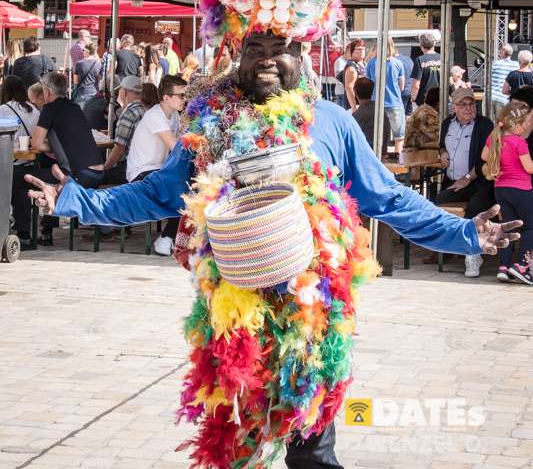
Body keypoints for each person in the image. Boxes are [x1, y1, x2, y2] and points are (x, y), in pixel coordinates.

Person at [26, 34, 520, 469]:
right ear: (237, 56)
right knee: (237, 443)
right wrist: (76, 199)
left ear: (300, 55)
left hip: (313, 315)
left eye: (277, 51)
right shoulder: (209, 123)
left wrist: (463, 235)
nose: (265, 60)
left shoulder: (331, 121)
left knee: (313, 451)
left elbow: (386, 197)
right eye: (254, 50)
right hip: (234, 311)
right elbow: (156, 193)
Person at [27, 71, 104, 245]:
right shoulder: (74, 107)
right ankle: (46, 231)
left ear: (47, 92)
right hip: (97, 173)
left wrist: (52, 147)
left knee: (20, 178)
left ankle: (27, 234)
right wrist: (57, 147)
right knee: (53, 174)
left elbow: (36, 144)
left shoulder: (50, 108)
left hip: (80, 175)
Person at [435, 86, 495, 277]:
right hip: (455, 181)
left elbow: (486, 158)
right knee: (438, 202)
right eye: (464, 105)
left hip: (480, 182)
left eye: (472, 104)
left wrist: (468, 177)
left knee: (475, 208)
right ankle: (444, 248)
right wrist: (442, 152)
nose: (469, 108)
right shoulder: (447, 124)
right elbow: (441, 145)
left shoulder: (484, 125)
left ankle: (473, 254)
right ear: (455, 107)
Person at [482, 100, 533, 285]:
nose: (528, 126)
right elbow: (529, 168)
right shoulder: (519, 143)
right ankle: (520, 265)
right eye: (526, 122)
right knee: (530, 227)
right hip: (521, 189)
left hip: (501, 189)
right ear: (518, 125)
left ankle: (503, 267)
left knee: (507, 226)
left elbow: (484, 157)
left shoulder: (495, 138)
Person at [0, 76, 40, 248]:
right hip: (33, 162)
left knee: (16, 183)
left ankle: (19, 228)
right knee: (20, 183)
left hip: (11, 162)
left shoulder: (3, 109)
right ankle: (24, 230)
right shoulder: (34, 109)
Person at [126, 75, 186, 184]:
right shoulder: (155, 116)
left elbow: (182, 144)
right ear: (166, 98)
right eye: (181, 96)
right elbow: (177, 148)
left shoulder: (174, 115)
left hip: (158, 169)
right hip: (141, 172)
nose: (185, 99)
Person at [102, 76, 146, 185]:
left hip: (131, 168)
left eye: (120, 90)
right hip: (146, 165)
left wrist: (105, 168)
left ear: (125, 92)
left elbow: (119, 149)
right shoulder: (146, 110)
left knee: (95, 177)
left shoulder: (129, 113)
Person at [366, 37, 405, 153]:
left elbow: (368, 83)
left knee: (379, 136)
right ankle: (398, 162)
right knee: (399, 137)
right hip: (394, 102)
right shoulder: (398, 63)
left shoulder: (371, 63)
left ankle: (380, 160)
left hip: (376, 102)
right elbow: (401, 86)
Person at [352, 76, 391, 156]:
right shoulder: (380, 111)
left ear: (355, 94)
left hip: (366, 156)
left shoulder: (357, 116)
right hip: (382, 153)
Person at [410, 32, 441, 108]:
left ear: (421, 45)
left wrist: (413, 98)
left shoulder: (420, 60)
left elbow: (416, 85)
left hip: (424, 101)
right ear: (434, 44)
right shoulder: (442, 58)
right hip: (440, 99)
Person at [491, 43, 518, 118]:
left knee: (488, 124)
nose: (498, 53)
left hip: (491, 96)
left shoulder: (495, 64)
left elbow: (486, 79)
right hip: (504, 99)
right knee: (502, 124)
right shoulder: (516, 65)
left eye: (499, 51)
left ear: (503, 52)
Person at [73, 42, 101, 109]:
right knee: (91, 116)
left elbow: (75, 81)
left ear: (87, 51)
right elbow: (99, 79)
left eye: (83, 50)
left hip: (82, 93)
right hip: (94, 92)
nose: (82, 52)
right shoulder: (98, 63)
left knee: (81, 116)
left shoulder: (79, 63)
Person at [342, 39, 366, 111]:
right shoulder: (351, 67)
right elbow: (349, 89)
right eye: (358, 49)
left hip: (362, 105)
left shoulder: (363, 64)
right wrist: (354, 108)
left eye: (363, 49)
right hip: (354, 107)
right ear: (352, 51)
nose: (361, 51)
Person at [396, 49, 414, 115]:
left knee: (400, 114)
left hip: (402, 92)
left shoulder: (395, 61)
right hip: (410, 91)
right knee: (408, 114)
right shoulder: (409, 59)